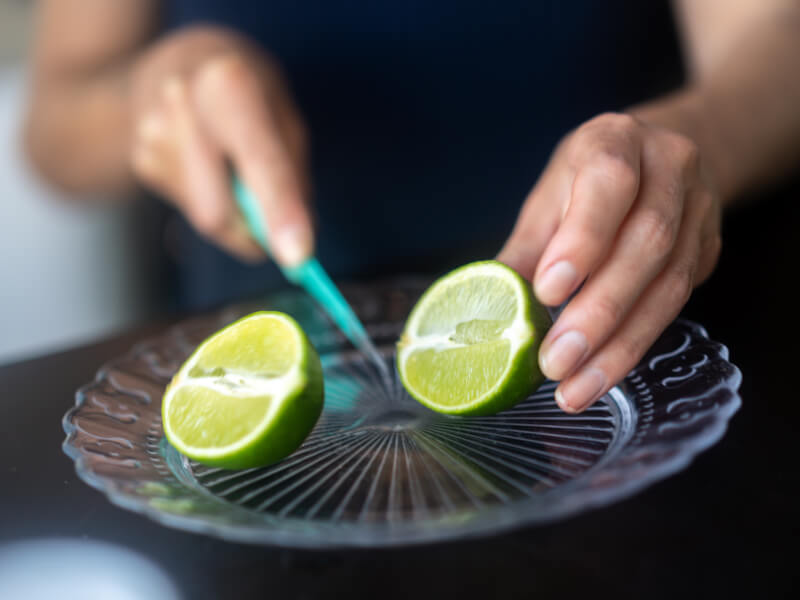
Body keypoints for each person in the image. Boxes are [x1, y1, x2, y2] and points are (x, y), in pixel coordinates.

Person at [23, 0, 800, 414]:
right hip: (271, 369)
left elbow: (774, 36)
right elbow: (54, 126)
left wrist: (698, 138)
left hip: (630, 356)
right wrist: (151, 101)